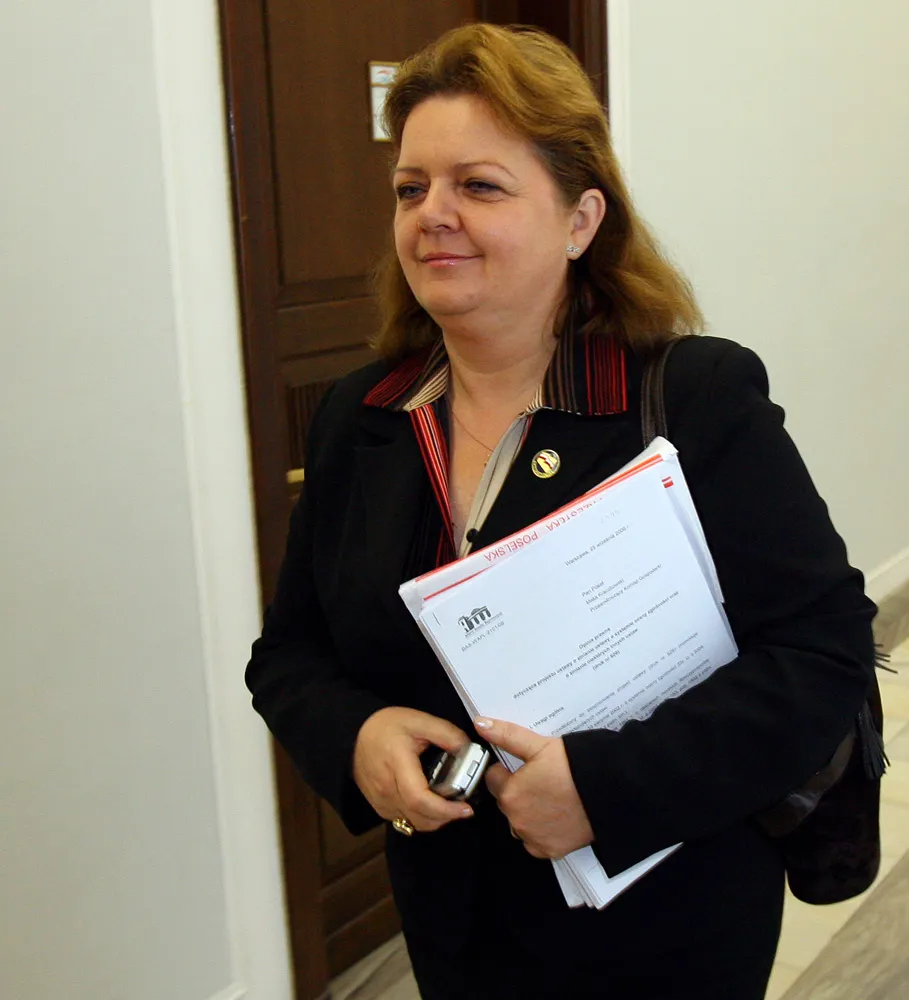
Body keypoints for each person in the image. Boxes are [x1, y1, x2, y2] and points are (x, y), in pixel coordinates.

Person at [246, 23, 876, 1000]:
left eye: (479, 185)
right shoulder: (361, 418)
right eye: (411, 188)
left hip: (669, 926)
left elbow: (821, 654)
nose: (432, 215)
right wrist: (357, 736)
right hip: (456, 926)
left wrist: (606, 789)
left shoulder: (692, 399)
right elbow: (288, 656)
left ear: (580, 220)